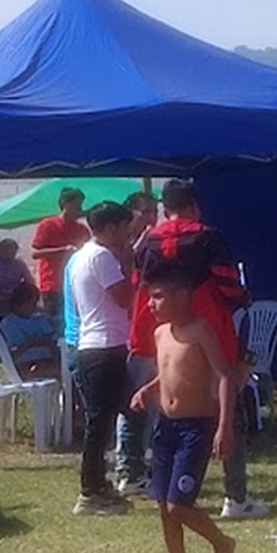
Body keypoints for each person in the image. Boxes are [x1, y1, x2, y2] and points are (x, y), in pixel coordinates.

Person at [139, 181, 268, 520]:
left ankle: (166, 486)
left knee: (169, 409)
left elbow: (143, 290)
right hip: (212, 332)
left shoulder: (149, 242)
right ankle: (235, 496)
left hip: (168, 335)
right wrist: (241, 299)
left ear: (165, 208)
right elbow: (229, 284)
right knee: (228, 404)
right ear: (193, 206)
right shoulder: (208, 238)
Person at [129, 265, 238, 553]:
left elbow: (224, 376)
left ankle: (222, 543)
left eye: (158, 297)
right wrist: (148, 389)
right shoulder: (161, 333)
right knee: (164, 507)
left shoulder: (201, 330)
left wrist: (224, 426)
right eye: (150, 297)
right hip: (166, 427)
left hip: (195, 427)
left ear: (182, 296)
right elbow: (170, 372)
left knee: (179, 506)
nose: (151, 304)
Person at [66, 200, 136, 516]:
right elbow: (124, 298)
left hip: (95, 345)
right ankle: (89, 490)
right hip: (104, 347)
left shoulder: (81, 256)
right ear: (110, 228)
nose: (127, 235)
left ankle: (99, 484)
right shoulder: (103, 257)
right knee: (100, 423)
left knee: (104, 420)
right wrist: (128, 265)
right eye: (124, 229)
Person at [115, 190, 162, 496]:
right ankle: (127, 470)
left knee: (154, 406)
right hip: (133, 339)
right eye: (144, 211)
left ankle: (145, 466)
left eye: (154, 211)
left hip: (155, 338)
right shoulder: (119, 251)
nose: (150, 218)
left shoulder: (149, 246)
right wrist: (134, 251)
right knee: (133, 406)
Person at [31, 188, 90, 334]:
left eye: (80, 205)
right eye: (76, 205)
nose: (80, 209)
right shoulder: (48, 225)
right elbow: (35, 253)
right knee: (55, 326)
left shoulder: (82, 229)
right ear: (65, 204)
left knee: (77, 324)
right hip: (53, 285)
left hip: (76, 285)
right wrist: (63, 250)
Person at [0, 281, 60, 379]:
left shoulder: (39, 320)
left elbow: (52, 343)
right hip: (23, 364)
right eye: (31, 304)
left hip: (46, 360)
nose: (34, 307)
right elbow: (9, 354)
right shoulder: (8, 324)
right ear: (19, 303)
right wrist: (30, 344)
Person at [0, 237, 33, 316]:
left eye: (12, 251)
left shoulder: (20, 265)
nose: (9, 253)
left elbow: (29, 281)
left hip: (16, 297)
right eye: (6, 250)